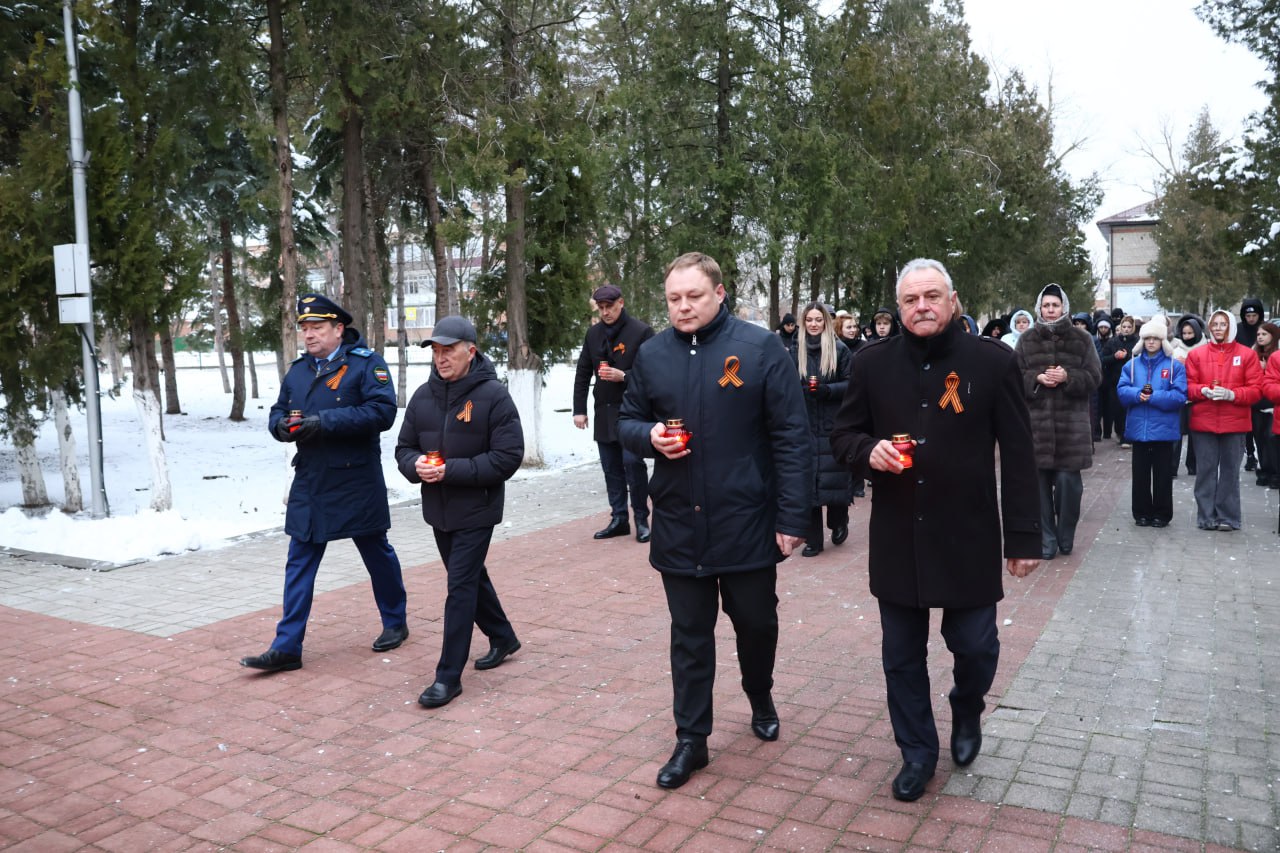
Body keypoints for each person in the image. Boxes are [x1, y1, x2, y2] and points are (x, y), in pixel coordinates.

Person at [830, 258, 1041, 802]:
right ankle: (917, 753)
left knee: (975, 646)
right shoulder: (872, 363)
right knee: (901, 656)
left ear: (952, 300)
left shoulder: (992, 362)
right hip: (898, 534)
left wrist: (1023, 537)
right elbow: (843, 434)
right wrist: (866, 451)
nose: (921, 307)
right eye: (910, 300)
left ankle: (967, 708)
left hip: (968, 533)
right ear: (899, 307)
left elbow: (1020, 454)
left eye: (931, 297)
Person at [618, 252, 811, 790]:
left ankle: (759, 692)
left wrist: (793, 516)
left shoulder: (759, 348)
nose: (683, 307)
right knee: (690, 636)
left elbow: (792, 437)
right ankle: (691, 740)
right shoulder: (652, 354)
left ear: (720, 293)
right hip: (679, 522)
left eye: (694, 296)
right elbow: (627, 420)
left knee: (756, 624)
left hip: (746, 519)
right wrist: (649, 436)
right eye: (673, 298)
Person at [240, 293, 408, 673]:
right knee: (299, 560)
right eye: (305, 328)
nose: (309, 335)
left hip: (355, 479)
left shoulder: (366, 364)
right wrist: (281, 427)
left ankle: (395, 621)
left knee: (376, 553)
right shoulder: (299, 370)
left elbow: (382, 412)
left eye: (317, 327)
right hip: (311, 479)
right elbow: (278, 411)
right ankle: (287, 647)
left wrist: (323, 422)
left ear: (338, 329)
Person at [394, 316, 524, 707]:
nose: (441, 358)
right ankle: (503, 637)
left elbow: (507, 457)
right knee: (469, 578)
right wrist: (415, 465)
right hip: (439, 510)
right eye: (435, 350)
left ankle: (448, 677)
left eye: (448, 350)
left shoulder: (494, 396)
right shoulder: (423, 396)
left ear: (471, 351)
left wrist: (451, 471)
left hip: (477, 508)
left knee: (460, 587)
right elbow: (403, 448)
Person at [1014, 284, 1102, 560]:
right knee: (1038, 490)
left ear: (1064, 307)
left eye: (1055, 305)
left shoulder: (1082, 339)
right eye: (1046, 305)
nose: (1051, 310)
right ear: (1039, 308)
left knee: (1068, 486)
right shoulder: (1026, 340)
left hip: (1071, 430)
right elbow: (1014, 376)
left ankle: (1065, 534)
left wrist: (1068, 377)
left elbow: (1095, 376)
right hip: (1037, 428)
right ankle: (1046, 541)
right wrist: (1036, 379)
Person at [572, 284, 655, 542]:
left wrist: (624, 376)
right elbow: (583, 372)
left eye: (609, 306)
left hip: (632, 411)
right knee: (611, 467)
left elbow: (653, 373)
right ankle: (619, 518)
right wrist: (579, 410)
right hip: (604, 409)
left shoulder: (641, 332)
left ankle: (641, 518)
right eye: (601, 308)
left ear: (621, 303)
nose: (605, 312)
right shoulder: (593, 334)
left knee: (632, 464)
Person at [784, 301, 854, 557]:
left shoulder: (839, 349)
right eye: (809, 320)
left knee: (834, 479)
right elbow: (784, 384)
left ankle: (838, 521)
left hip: (832, 423)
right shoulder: (794, 350)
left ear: (825, 321)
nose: (814, 324)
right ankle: (813, 539)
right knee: (807, 482)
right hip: (804, 424)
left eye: (818, 319)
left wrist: (827, 390)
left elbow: (851, 384)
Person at [1184, 309, 1263, 531]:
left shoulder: (1247, 355)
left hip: (1235, 423)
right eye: (1215, 324)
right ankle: (1206, 517)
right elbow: (1187, 386)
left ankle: (1228, 517)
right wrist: (1202, 391)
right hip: (1204, 422)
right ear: (1209, 327)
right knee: (1205, 471)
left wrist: (1232, 395)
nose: (1218, 328)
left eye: (1223, 324)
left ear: (1231, 327)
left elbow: (1256, 390)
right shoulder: (1196, 355)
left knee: (1230, 472)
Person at [1116, 319, 1187, 527]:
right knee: (1140, 475)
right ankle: (1141, 513)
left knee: (1163, 475)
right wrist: (1137, 394)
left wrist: (1154, 396)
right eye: (1148, 338)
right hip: (1139, 429)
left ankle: (1162, 514)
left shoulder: (1174, 366)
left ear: (1162, 340)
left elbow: (1180, 396)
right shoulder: (1131, 365)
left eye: (1155, 338)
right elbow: (1121, 390)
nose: (1151, 342)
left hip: (1163, 430)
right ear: (1142, 340)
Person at [1100, 315, 1138, 445]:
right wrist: (1114, 356)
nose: (1126, 329)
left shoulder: (1137, 342)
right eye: (1124, 326)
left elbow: (1140, 359)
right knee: (1116, 410)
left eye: (1129, 327)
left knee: (1129, 409)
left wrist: (1127, 356)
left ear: (1133, 328)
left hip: (1133, 381)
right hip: (1115, 381)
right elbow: (1103, 359)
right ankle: (1119, 432)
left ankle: (1127, 436)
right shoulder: (1113, 342)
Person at [1237, 299, 1266, 470]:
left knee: (1260, 424)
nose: (1251, 319)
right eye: (1248, 316)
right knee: (1246, 423)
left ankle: (1263, 457)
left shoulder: (1264, 330)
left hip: (1262, 380)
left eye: (1254, 315)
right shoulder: (1238, 330)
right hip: (1242, 379)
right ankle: (1249, 454)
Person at [1250, 322, 1278, 488]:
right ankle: (1264, 470)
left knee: (1272, 439)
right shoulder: (1253, 353)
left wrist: (1266, 369)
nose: (1260, 337)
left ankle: (1274, 472)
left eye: (1264, 334)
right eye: (1258, 334)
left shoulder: (1277, 355)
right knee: (1259, 439)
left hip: (1273, 404)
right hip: (1257, 403)